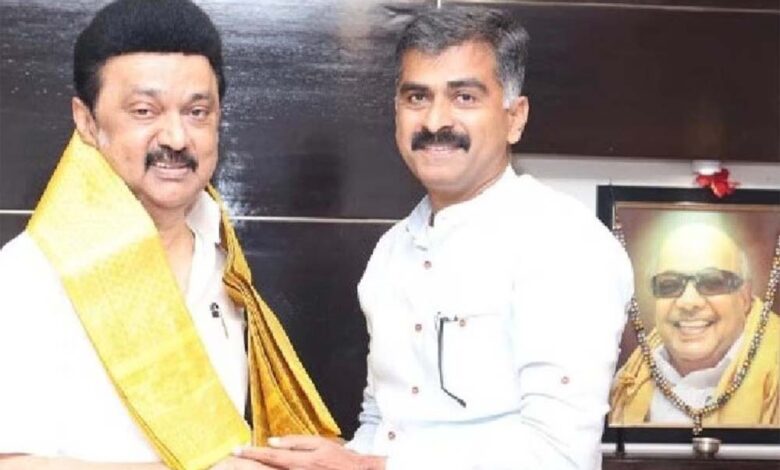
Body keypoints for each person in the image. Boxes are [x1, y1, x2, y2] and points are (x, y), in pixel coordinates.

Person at [236, 7, 633, 470]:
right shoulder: (391, 251)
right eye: (417, 97)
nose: (435, 120)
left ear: (514, 118)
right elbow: (383, 424)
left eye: (464, 97)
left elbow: (558, 455)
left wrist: (366, 468)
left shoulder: (564, 243)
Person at [0, 0, 339, 468]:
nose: (177, 138)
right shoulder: (29, 274)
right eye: (145, 111)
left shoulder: (224, 264)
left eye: (197, 112)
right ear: (86, 120)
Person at [610, 222, 779, 425]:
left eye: (711, 282)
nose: (688, 302)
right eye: (670, 284)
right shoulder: (627, 379)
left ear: (744, 297)